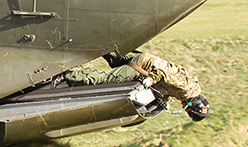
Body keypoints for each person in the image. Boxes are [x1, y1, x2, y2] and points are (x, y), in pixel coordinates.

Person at [61, 51, 211, 121]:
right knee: (101, 80)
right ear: (190, 106)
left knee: (109, 53)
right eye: (187, 109)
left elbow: (168, 83)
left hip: (145, 60)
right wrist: (150, 81)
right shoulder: (185, 88)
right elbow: (163, 74)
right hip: (142, 67)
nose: (184, 108)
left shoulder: (191, 87)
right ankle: (63, 76)